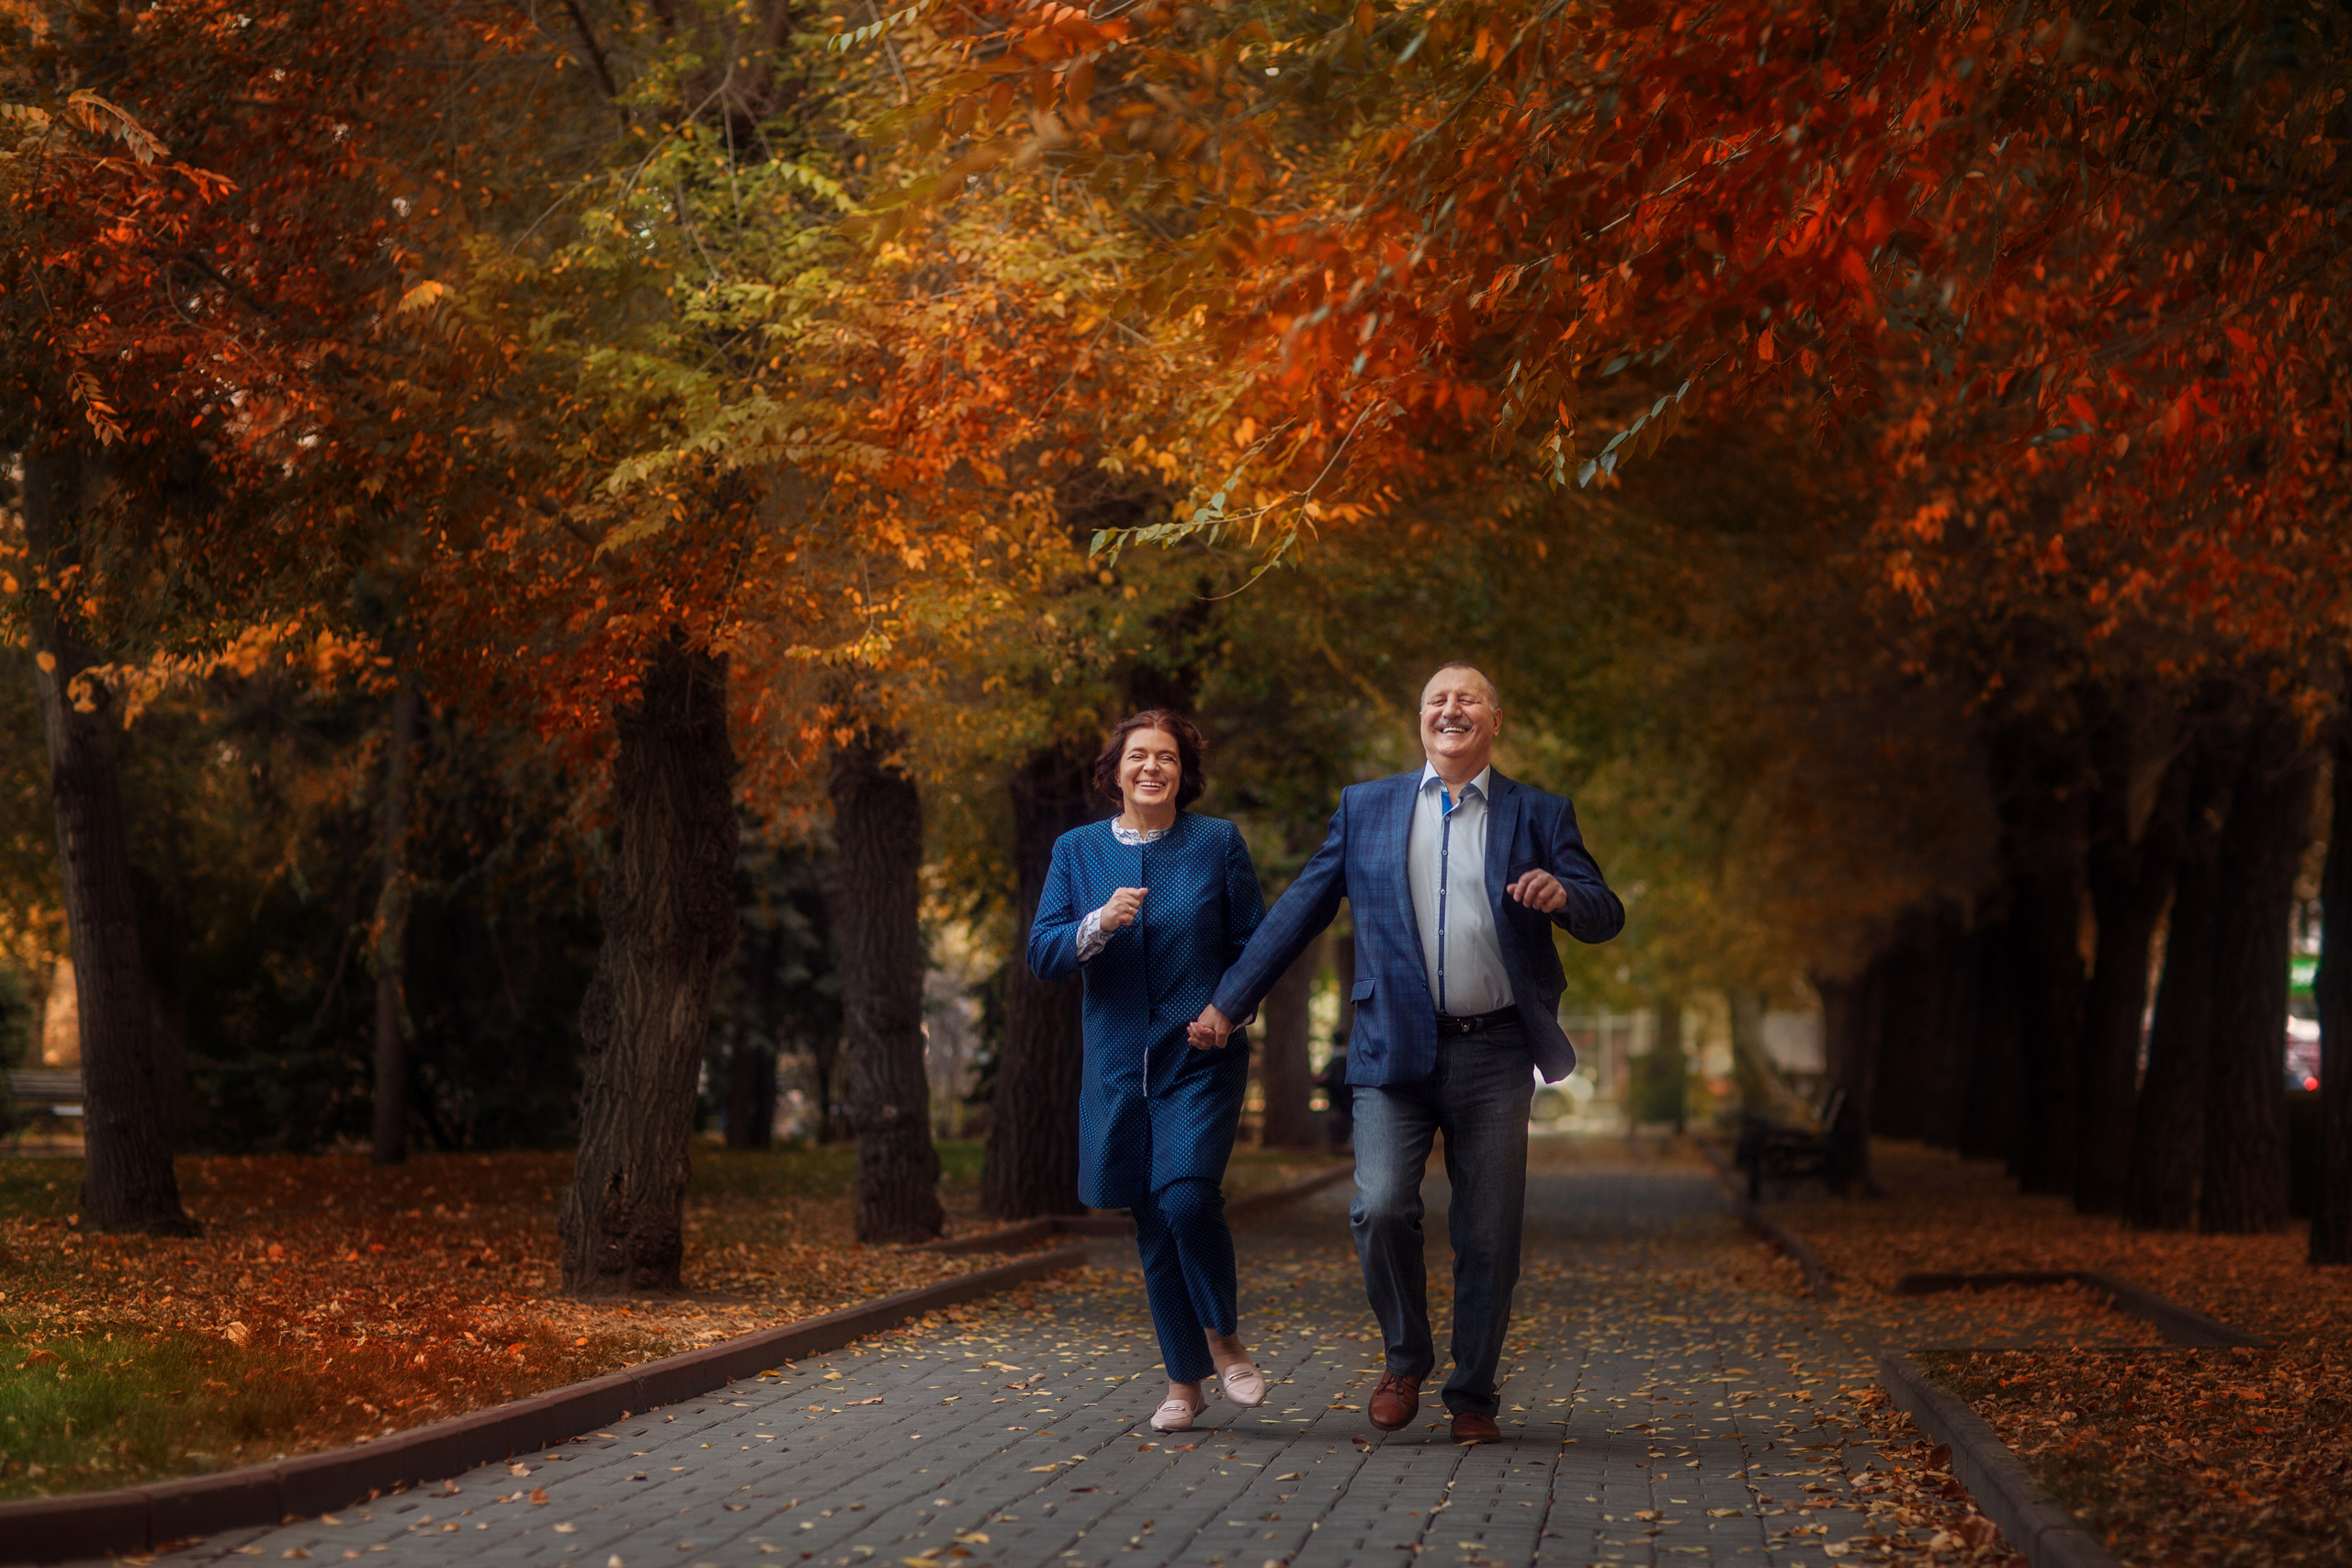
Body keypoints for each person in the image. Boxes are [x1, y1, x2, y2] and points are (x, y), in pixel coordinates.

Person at [1191, 662, 1623, 1443]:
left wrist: (1566, 897)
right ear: (1420, 719)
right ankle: (1404, 1358)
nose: (1450, 709)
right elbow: (1300, 909)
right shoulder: (1368, 807)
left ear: (1494, 720)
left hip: (1496, 1050)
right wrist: (1230, 1000)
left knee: (1488, 1232)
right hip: (1391, 1045)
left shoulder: (1540, 812)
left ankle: (1474, 1393)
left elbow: (1606, 909)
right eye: (1436, 699)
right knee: (1381, 1204)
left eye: (1467, 699)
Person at [1027, 709, 1272, 1434]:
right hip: (1116, 1065)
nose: (1152, 767)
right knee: (1152, 1219)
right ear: (1116, 770)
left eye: (1166, 756)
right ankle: (1182, 1383)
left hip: (1198, 1054)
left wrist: (1228, 1010)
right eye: (1138, 755)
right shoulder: (1076, 850)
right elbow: (1042, 952)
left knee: (1187, 1196)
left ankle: (1223, 1338)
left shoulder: (1217, 842)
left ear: (1182, 772)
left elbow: (1256, 947)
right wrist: (1098, 922)